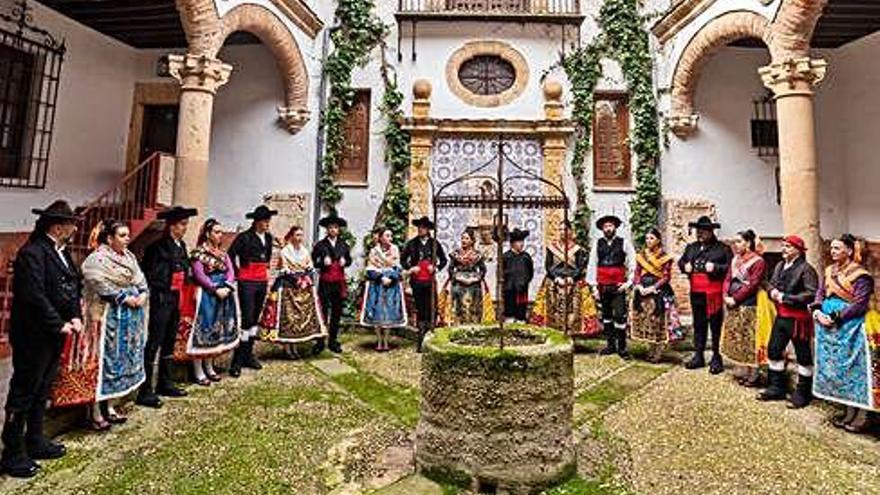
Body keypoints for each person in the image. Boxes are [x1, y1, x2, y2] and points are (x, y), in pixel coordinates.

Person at [1, 200, 81, 478]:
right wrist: (57, 323)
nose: (74, 229)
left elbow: (72, 286)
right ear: (57, 226)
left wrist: (75, 315)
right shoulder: (32, 253)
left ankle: (35, 440)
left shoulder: (61, 252)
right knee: (24, 390)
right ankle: (12, 451)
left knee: (43, 388)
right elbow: (34, 295)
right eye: (70, 224)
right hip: (34, 334)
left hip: (56, 332)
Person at [54, 220, 149, 431]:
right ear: (109, 238)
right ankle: (96, 411)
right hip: (104, 320)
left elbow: (140, 279)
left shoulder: (130, 257)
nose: (127, 239)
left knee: (119, 361)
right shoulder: (96, 259)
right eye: (122, 235)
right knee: (102, 363)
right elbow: (98, 282)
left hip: (128, 320)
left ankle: (111, 405)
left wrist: (142, 294)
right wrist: (125, 297)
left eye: (127, 235)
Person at [812, 234, 877, 432]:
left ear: (849, 251)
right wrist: (817, 310)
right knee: (839, 370)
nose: (833, 251)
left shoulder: (861, 276)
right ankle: (848, 410)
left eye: (837, 248)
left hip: (852, 326)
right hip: (828, 327)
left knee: (856, 369)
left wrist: (836, 317)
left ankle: (863, 414)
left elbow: (859, 303)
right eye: (832, 248)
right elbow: (820, 293)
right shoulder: (829, 270)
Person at [137, 205, 197, 408]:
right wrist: (169, 280)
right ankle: (145, 389)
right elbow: (152, 275)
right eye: (182, 224)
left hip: (176, 298)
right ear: (171, 226)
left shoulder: (181, 246)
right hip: (162, 298)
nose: (184, 228)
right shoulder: (157, 247)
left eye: (185, 224)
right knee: (154, 341)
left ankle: (165, 381)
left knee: (170, 340)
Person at [757, 235, 817, 408]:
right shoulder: (779, 266)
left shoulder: (807, 269)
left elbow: (811, 294)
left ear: (798, 250)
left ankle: (803, 393)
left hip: (798, 320)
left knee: (803, 356)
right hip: (781, 317)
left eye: (788, 247)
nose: (784, 249)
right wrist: (772, 292)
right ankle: (776, 387)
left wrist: (786, 297)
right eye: (783, 246)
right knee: (774, 350)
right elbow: (770, 284)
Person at [178, 219, 239, 385]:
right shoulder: (198, 254)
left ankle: (209, 365)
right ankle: (198, 370)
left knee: (216, 329)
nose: (220, 235)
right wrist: (214, 289)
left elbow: (231, 270)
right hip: (206, 295)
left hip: (223, 293)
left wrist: (227, 286)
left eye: (221, 232)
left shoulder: (222, 253)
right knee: (203, 328)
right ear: (207, 234)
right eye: (217, 232)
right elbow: (199, 275)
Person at [259, 225, 326, 356]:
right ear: (291, 236)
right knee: (288, 317)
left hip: (303, 286)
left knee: (299, 318)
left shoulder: (305, 251)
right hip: (288, 286)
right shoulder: (285, 251)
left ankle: (295, 346)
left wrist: (306, 277)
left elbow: (310, 267)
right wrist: (296, 279)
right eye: (297, 235)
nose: (299, 238)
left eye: (301, 235)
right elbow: (284, 270)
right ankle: (287, 347)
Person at [678, 216, 732, 374]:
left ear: (711, 231)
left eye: (703, 231)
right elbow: (681, 262)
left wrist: (715, 267)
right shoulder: (691, 247)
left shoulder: (723, 248)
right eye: (698, 231)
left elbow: (729, 268)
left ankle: (716, 357)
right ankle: (699, 355)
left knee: (715, 326)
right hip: (696, 293)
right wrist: (684, 266)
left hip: (713, 294)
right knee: (698, 325)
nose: (699, 234)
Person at [227, 205, 277, 377]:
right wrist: (236, 272)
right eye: (264, 221)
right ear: (256, 222)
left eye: (268, 221)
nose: (267, 224)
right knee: (247, 319)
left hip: (261, 281)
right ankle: (237, 359)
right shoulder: (244, 237)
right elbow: (230, 255)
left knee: (255, 319)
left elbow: (268, 258)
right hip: (247, 281)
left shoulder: (269, 238)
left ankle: (248, 354)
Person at [719, 230, 772, 387]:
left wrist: (735, 298)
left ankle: (754, 374)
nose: (736, 245)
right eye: (735, 242)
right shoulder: (735, 259)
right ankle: (743, 370)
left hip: (749, 303)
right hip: (732, 301)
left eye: (739, 242)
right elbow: (728, 278)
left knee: (750, 338)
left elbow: (753, 284)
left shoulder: (758, 261)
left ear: (748, 243)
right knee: (739, 337)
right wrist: (725, 295)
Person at [531, 221, 598, 337]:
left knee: (575, 308)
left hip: (573, 281)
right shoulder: (552, 248)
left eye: (565, 230)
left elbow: (580, 266)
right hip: (554, 281)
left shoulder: (577, 249)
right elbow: (548, 266)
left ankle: (572, 333)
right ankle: (554, 332)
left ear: (570, 231)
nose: (562, 232)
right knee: (552, 307)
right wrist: (556, 277)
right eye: (560, 230)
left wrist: (572, 278)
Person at [630, 227, 684, 363]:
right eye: (647, 238)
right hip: (643, 292)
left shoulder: (665, 257)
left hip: (659, 292)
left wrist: (653, 287)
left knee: (659, 322)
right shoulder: (641, 255)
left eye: (652, 238)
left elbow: (666, 277)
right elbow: (637, 272)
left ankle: (658, 351)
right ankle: (650, 348)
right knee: (647, 321)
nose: (649, 241)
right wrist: (639, 285)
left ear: (658, 240)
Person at [587, 215, 636, 359]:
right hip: (603, 286)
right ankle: (610, 346)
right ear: (602, 229)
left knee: (620, 316)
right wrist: (594, 287)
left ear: (615, 227)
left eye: (610, 226)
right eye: (605, 227)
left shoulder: (624, 243)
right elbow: (592, 264)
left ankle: (622, 348)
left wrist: (628, 282)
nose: (608, 229)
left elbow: (632, 262)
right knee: (606, 316)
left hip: (618, 287)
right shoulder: (598, 244)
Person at [401, 216, 447, 352]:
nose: (420, 229)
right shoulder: (412, 243)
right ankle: (420, 341)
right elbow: (403, 259)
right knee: (420, 309)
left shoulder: (435, 243)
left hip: (430, 281)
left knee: (431, 307)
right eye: (419, 227)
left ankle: (431, 338)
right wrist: (410, 269)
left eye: (423, 227)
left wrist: (436, 268)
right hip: (416, 281)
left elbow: (443, 260)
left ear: (428, 229)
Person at [360, 228, 407, 351]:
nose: (390, 238)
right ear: (380, 237)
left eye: (391, 236)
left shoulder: (395, 249)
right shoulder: (374, 251)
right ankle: (379, 341)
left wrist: (391, 278)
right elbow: (369, 269)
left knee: (388, 314)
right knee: (377, 314)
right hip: (377, 286)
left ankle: (386, 340)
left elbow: (398, 267)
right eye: (387, 235)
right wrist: (381, 277)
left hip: (391, 287)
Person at [312, 214, 352, 354]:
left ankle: (333, 341)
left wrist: (345, 262)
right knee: (322, 311)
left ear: (339, 229)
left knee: (336, 312)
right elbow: (314, 262)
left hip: (338, 283)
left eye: (335, 227)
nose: (333, 230)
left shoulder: (344, 245)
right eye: (330, 227)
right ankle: (320, 341)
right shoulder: (320, 245)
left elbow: (349, 260)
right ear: (327, 229)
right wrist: (322, 262)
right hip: (325, 282)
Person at [444, 228, 488, 325]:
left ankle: (474, 327)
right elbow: (450, 269)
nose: (464, 241)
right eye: (462, 238)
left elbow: (483, 270)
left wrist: (476, 278)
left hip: (474, 285)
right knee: (459, 308)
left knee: (473, 309)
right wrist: (456, 277)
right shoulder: (456, 254)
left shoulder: (477, 255)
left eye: (467, 238)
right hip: (459, 285)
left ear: (472, 241)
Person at [501, 228, 534, 323]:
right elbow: (500, 272)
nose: (522, 244)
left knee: (521, 310)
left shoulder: (526, 257)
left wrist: (525, 281)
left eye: (522, 241)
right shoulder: (506, 256)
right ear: (512, 243)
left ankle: (521, 320)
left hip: (522, 288)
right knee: (509, 310)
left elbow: (530, 272)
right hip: (509, 288)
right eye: (519, 241)